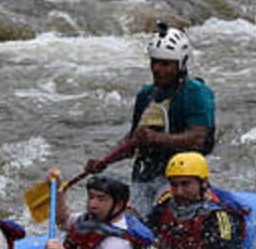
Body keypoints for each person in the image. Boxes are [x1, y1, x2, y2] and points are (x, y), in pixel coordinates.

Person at [86, 23, 216, 205]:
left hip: (181, 179)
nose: (157, 69)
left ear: (181, 64)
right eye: (154, 62)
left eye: (165, 64)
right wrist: (105, 160)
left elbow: (198, 138)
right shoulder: (146, 95)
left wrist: (155, 138)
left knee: (161, 214)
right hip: (145, 176)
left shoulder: (196, 93)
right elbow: (133, 141)